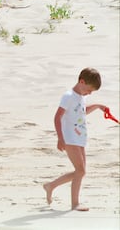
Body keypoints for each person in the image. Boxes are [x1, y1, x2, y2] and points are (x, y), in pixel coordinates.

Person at [43, 67, 107, 211]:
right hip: (70, 138)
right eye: (89, 90)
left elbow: (82, 112)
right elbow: (57, 117)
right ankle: (74, 203)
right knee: (80, 170)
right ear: (81, 81)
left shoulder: (81, 97)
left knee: (81, 171)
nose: (90, 93)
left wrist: (97, 106)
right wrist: (60, 138)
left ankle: (50, 186)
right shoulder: (68, 96)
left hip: (80, 138)